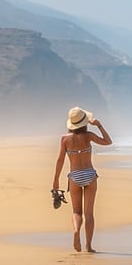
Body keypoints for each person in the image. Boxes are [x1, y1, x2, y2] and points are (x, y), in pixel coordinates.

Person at [52, 105, 113, 253]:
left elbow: (60, 160)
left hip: (75, 176)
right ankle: (89, 246)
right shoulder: (89, 136)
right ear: (84, 123)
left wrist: (55, 181)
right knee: (89, 214)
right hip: (90, 175)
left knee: (76, 212)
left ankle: (76, 231)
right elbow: (108, 141)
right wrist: (98, 125)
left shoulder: (64, 139)